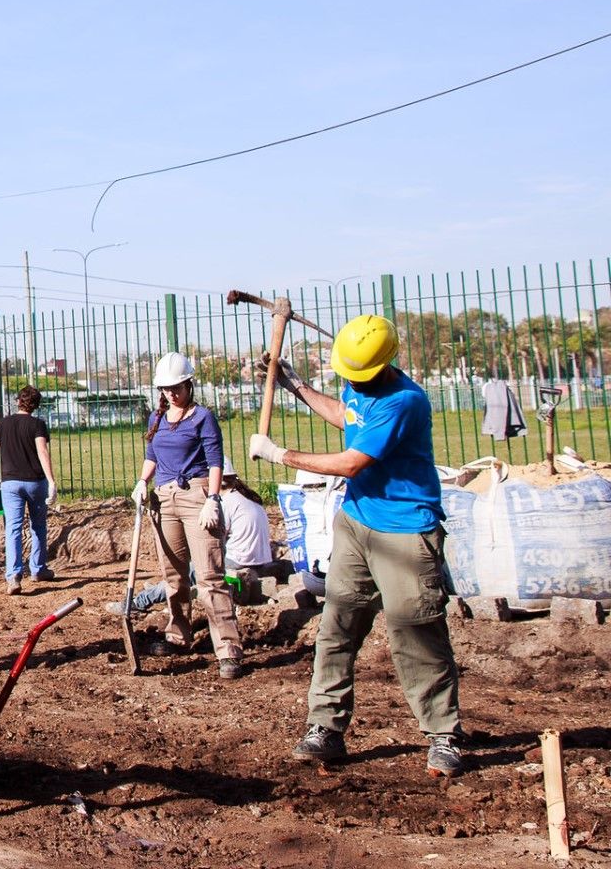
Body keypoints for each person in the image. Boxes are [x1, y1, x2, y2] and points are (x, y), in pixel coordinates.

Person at [251, 313, 465, 778]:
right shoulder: (360, 382)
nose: (352, 382)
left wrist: (279, 454)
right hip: (355, 524)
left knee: (415, 632)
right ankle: (325, 727)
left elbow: (352, 462)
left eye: (358, 376)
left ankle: (443, 732)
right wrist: (296, 386)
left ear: (384, 366)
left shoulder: (404, 401)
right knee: (337, 625)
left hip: (406, 532)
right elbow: (345, 416)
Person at [134, 352, 244, 679]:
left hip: (197, 497)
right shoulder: (157, 419)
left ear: (188, 384)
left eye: (177, 387)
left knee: (210, 576)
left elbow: (214, 461)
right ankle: (178, 634)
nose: (172, 393)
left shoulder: (202, 417)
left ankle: (228, 649)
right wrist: (142, 481)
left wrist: (213, 499)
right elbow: (151, 456)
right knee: (174, 576)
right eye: (166, 388)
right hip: (165, 499)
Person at [113, 477, 276, 615]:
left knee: (181, 573)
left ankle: (139, 602)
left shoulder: (225, 502)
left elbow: (212, 539)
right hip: (260, 559)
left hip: (237, 559)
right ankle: (158, 589)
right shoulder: (246, 498)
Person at [0, 385, 59, 595]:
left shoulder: (3, 424)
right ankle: (38, 569)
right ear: (36, 405)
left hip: (10, 484)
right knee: (38, 526)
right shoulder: (38, 425)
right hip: (36, 483)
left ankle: (14, 576)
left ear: (18, 401)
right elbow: (42, 451)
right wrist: (51, 481)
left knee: (14, 529)